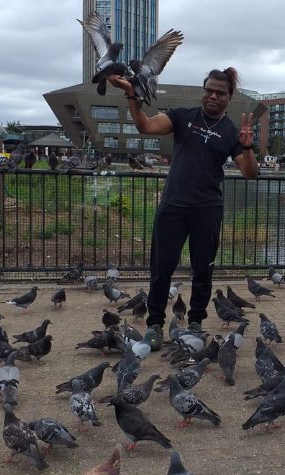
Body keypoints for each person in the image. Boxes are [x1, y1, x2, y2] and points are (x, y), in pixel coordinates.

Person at [109, 68, 258, 349]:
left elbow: (249, 173)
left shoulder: (231, 132)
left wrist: (248, 148)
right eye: (209, 90)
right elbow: (145, 126)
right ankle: (155, 325)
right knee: (161, 269)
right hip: (173, 206)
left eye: (220, 92)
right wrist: (131, 94)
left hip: (207, 209)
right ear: (204, 91)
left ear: (229, 97)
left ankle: (195, 323)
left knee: (203, 270)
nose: (213, 96)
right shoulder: (182, 116)